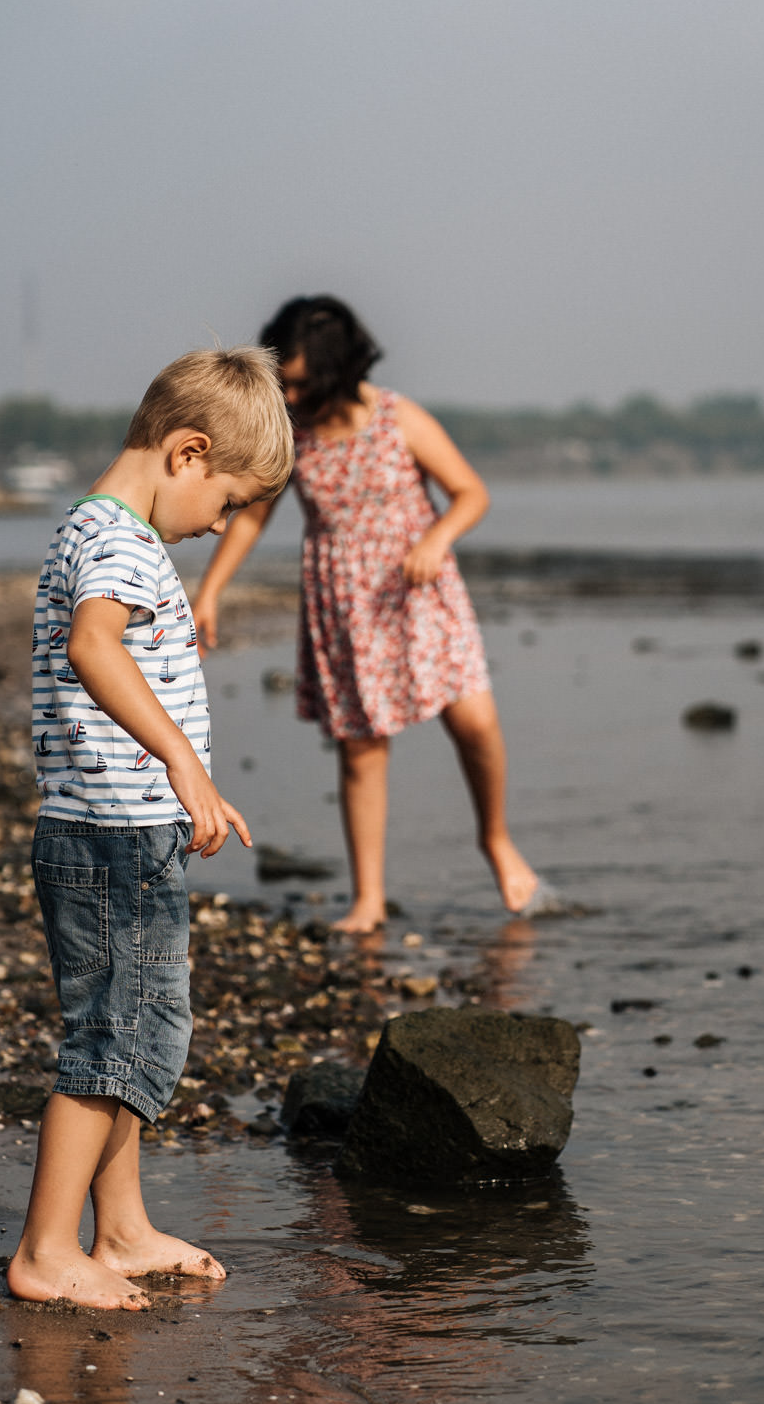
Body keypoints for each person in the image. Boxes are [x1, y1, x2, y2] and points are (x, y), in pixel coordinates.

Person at [7, 346, 293, 1310]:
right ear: (188, 452)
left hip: (107, 831)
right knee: (113, 1040)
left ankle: (120, 1229)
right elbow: (94, 646)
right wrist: (182, 761)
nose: (220, 528)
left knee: (125, 1030)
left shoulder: (98, 528)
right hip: (113, 835)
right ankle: (48, 1250)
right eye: (226, 504)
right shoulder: (124, 544)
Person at [192, 296, 558, 935]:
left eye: (303, 380)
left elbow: (471, 493)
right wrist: (211, 590)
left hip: (421, 590)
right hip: (344, 600)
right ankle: (368, 900)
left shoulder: (398, 418)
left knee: (475, 720)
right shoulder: (292, 433)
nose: (293, 391)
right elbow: (252, 513)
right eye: (287, 380)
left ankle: (496, 841)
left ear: (339, 369)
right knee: (362, 751)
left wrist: (437, 538)